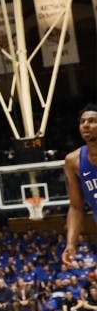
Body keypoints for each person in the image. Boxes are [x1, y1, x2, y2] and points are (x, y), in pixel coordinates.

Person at [62, 106, 97, 266]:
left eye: (92, 121)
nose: (86, 125)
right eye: (82, 122)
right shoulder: (73, 161)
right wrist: (71, 243)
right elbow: (76, 207)